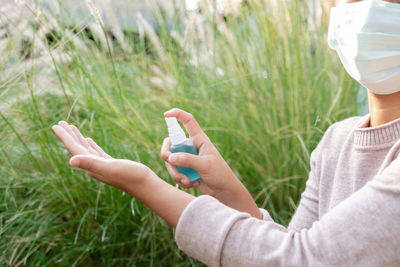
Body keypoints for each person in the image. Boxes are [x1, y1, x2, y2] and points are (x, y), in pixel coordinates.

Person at [52, 0, 400, 265]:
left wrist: (145, 185)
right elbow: (285, 248)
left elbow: (302, 259)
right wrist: (227, 191)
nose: (366, 10)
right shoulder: (335, 142)